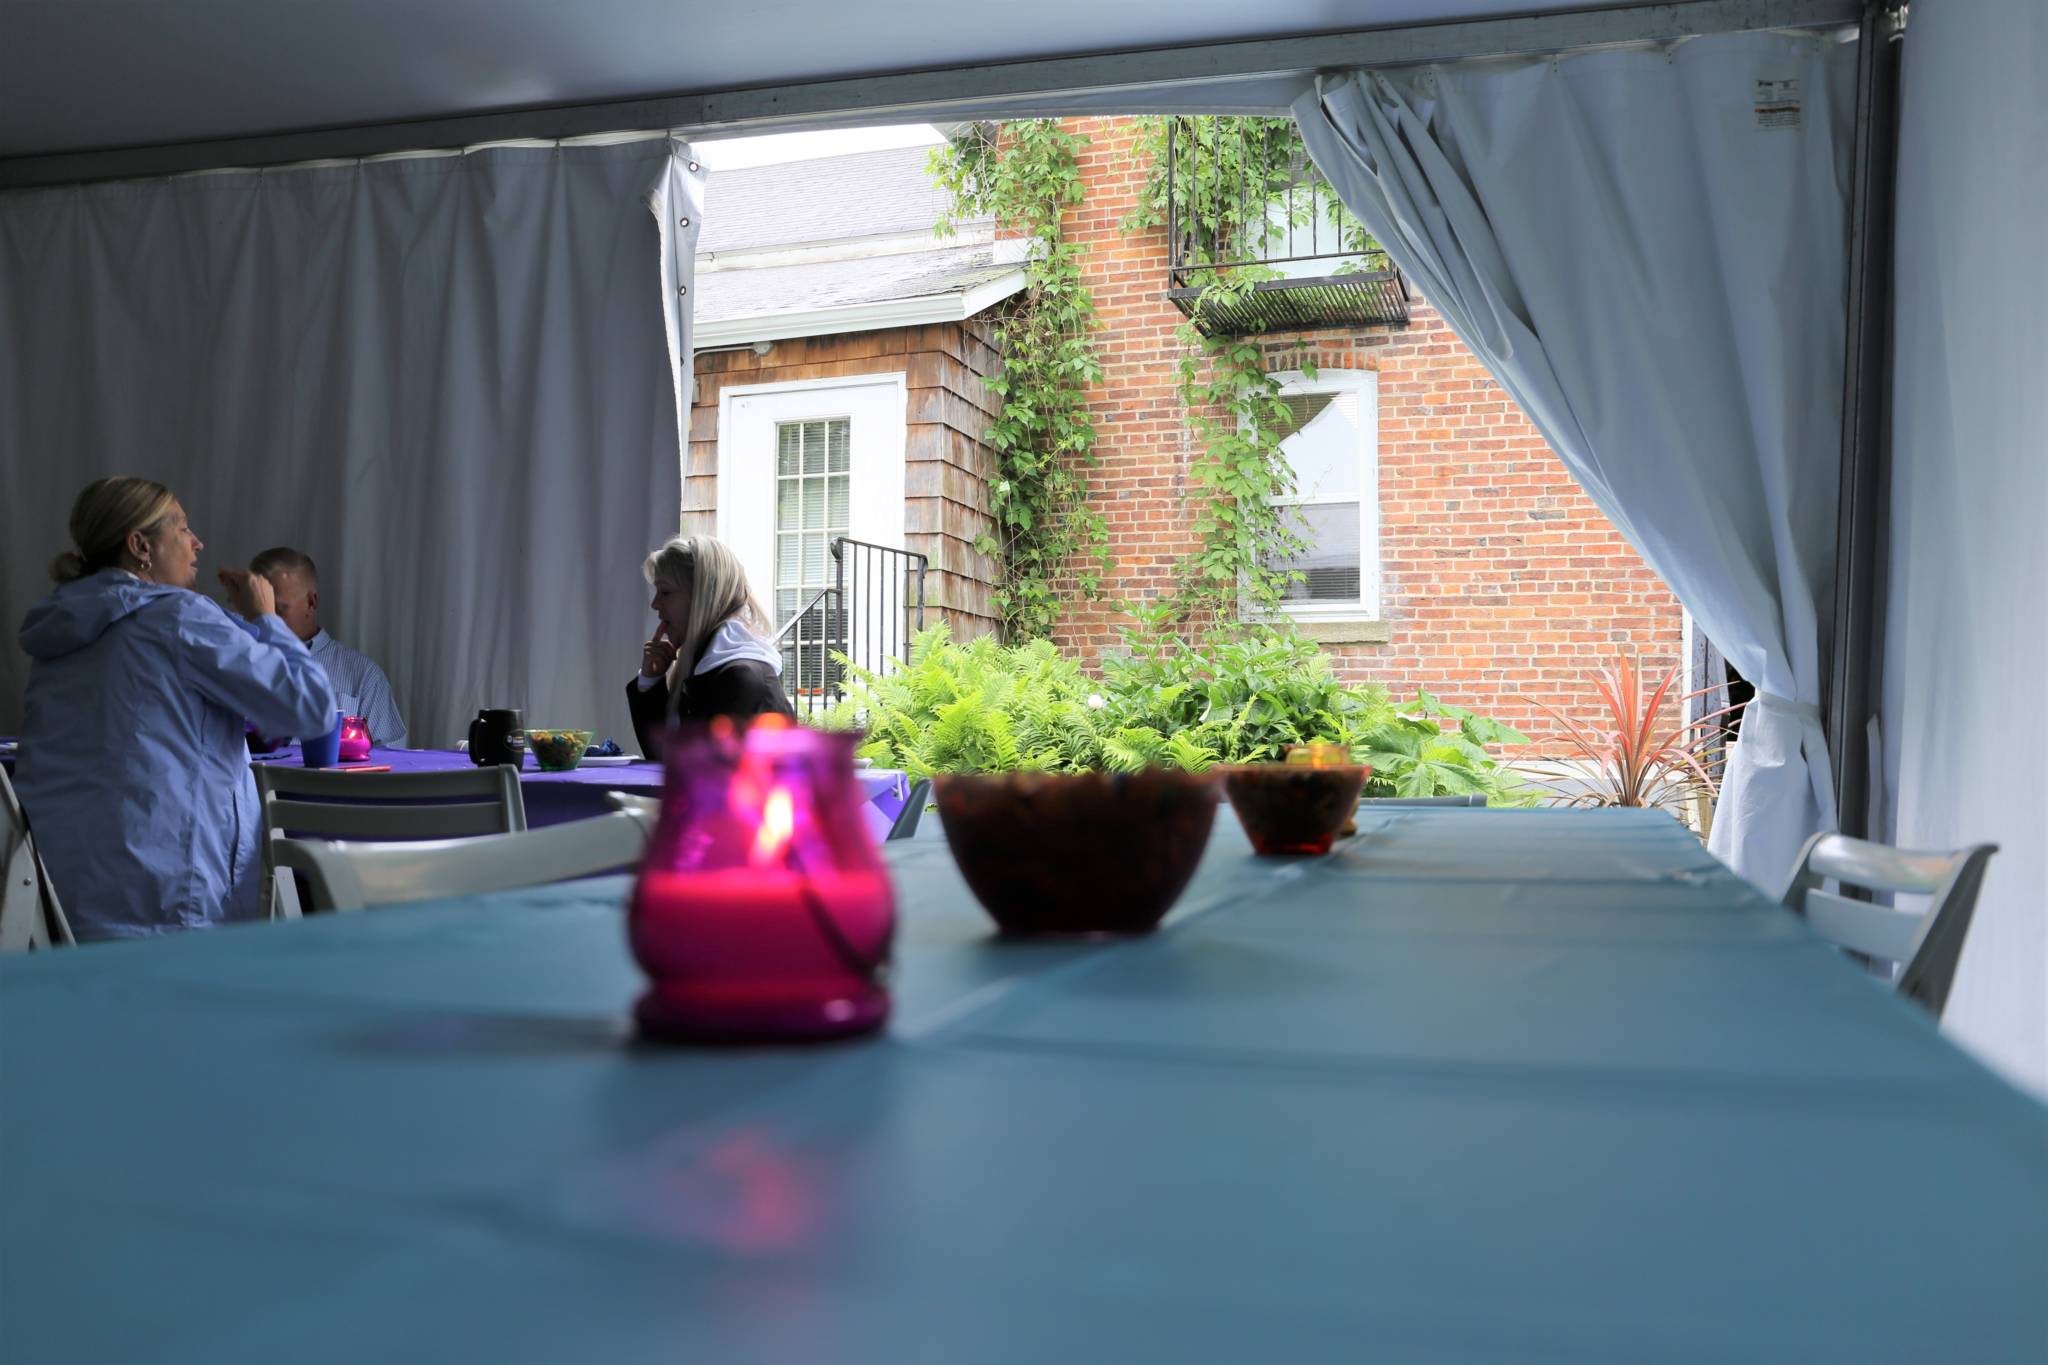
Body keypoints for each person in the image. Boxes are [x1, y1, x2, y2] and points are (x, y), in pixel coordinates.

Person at [14, 478, 336, 940]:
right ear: (140, 546)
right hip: (163, 911)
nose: (197, 542)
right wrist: (267, 619)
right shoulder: (180, 617)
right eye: (183, 529)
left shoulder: (61, 628)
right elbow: (312, 709)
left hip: (58, 907)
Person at [628, 534, 793, 756]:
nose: (655, 604)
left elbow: (683, 764)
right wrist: (651, 680)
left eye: (665, 592)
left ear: (702, 596)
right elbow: (666, 757)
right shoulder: (716, 667)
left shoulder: (738, 677)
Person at [250, 546, 408, 748]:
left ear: (311, 602)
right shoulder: (234, 667)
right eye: (256, 608)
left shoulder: (363, 677)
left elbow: (393, 759)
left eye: (278, 608)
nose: (266, 619)